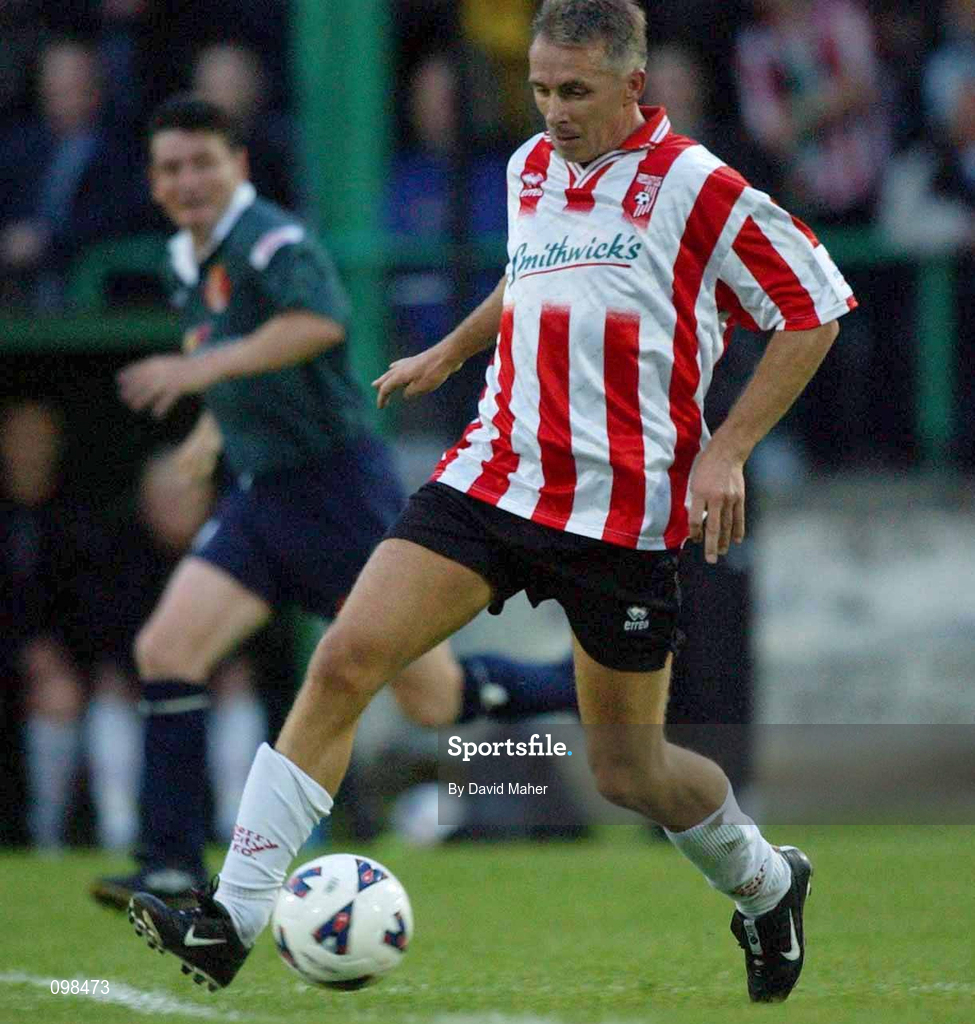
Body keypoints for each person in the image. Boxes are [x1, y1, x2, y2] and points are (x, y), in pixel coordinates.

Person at [128, 2, 856, 1004]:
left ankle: (768, 882)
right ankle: (231, 917)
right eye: (541, 88)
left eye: (575, 92)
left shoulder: (697, 186)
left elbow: (815, 305)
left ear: (632, 86)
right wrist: (450, 349)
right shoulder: (528, 168)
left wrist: (727, 451)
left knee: (630, 772)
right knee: (346, 659)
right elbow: (532, 278)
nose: (553, 111)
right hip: (494, 475)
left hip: (621, 516)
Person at [93, 94, 576, 909]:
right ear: (153, 180)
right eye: (171, 168)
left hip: (337, 493)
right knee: (167, 650)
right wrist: (212, 429)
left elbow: (317, 323)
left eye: (203, 162)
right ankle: (170, 864)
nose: (187, 180)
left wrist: (198, 375)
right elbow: (230, 352)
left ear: (239, 166)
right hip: (260, 497)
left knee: (432, 700)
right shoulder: (185, 257)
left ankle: (577, 684)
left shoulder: (271, 240)